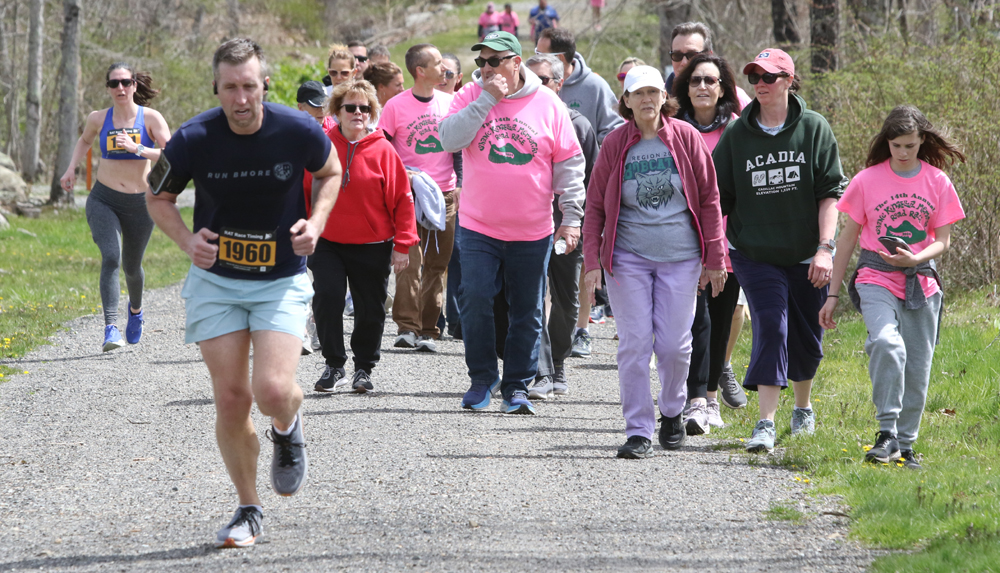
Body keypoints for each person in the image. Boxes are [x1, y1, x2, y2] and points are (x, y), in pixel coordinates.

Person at [145, 38, 342, 548]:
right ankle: (249, 509)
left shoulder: (297, 129)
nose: (240, 98)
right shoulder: (192, 138)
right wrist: (188, 242)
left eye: (249, 87)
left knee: (273, 391)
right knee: (232, 399)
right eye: (230, 87)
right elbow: (158, 197)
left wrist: (316, 223)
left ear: (264, 86)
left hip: (280, 279)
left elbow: (331, 172)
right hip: (217, 281)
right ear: (217, 87)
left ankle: (287, 422)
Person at [583, 65, 726, 459]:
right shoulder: (615, 143)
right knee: (634, 344)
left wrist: (715, 257)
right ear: (626, 101)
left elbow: (710, 200)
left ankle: (672, 410)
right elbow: (594, 206)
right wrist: (591, 260)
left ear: (664, 98)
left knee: (675, 346)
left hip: (681, 257)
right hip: (627, 257)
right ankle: (638, 430)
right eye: (637, 93)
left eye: (653, 92)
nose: (646, 99)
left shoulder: (686, 138)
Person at [439, 31, 585, 415]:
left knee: (528, 308)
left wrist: (571, 218)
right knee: (474, 300)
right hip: (478, 226)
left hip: (531, 229)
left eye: (494, 61)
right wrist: (489, 97)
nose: (485, 68)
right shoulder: (470, 95)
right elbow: (448, 139)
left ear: (516, 63)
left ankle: (518, 386)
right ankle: (482, 379)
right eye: (481, 62)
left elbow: (570, 163)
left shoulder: (548, 104)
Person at [713, 48, 848, 454]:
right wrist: (712, 247)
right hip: (753, 251)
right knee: (772, 323)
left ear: (789, 81)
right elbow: (718, 198)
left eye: (769, 77)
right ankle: (765, 422)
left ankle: (803, 408)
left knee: (806, 335)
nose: (760, 84)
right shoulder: (737, 135)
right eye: (755, 76)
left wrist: (825, 249)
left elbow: (830, 195)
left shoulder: (814, 128)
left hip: (807, 252)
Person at [819, 106, 966, 471]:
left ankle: (906, 445)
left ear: (922, 142)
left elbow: (943, 241)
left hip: (922, 282)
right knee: (886, 343)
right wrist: (832, 295)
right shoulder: (867, 180)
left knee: (918, 368)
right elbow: (848, 237)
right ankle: (886, 433)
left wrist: (915, 260)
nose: (903, 152)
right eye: (897, 145)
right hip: (876, 276)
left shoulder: (937, 181)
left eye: (911, 146)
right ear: (887, 142)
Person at [310, 79, 418, 393]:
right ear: (337, 110)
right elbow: (305, 191)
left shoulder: (384, 149)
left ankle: (363, 368)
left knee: (370, 309)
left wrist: (403, 243)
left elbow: (402, 199)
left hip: (373, 245)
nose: (358, 113)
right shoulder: (321, 145)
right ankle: (334, 365)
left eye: (365, 108)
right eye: (351, 107)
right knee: (327, 298)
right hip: (328, 241)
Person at [59, 62, 171, 352]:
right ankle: (110, 328)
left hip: (140, 203)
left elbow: (172, 155)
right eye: (114, 84)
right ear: (108, 88)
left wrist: (139, 149)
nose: (120, 88)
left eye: (125, 82)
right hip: (103, 199)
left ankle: (136, 310)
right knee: (111, 257)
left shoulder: (151, 118)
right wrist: (71, 169)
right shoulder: (98, 118)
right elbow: (84, 141)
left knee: (131, 267)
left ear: (134, 85)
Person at [671, 52, 747, 434]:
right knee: (691, 321)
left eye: (710, 81)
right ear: (685, 89)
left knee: (718, 320)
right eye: (695, 80)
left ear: (723, 89)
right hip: (680, 242)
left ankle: (709, 399)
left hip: (727, 243)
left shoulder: (738, 128)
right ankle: (692, 396)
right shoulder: (670, 126)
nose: (702, 86)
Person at [524, 52, 598, 399]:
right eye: (530, 79)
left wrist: (585, 225)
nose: (536, 87)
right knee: (533, 299)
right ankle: (540, 372)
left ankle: (558, 362)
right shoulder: (518, 120)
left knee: (567, 301)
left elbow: (593, 183)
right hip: (527, 227)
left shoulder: (579, 124)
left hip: (568, 227)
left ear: (559, 83)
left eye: (544, 80)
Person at [383, 44, 459, 352]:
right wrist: (401, 179)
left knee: (437, 266)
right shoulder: (395, 107)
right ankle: (406, 327)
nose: (445, 69)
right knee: (410, 262)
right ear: (420, 71)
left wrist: (462, 186)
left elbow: (459, 150)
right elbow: (384, 150)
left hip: (446, 196)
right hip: (408, 195)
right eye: (439, 64)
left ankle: (429, 329)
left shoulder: (451, 103)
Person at [537, 28, 623, 144]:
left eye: (541, 55)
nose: (536, 60)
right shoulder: (534, 85)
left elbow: (615, 132)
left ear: (559, 58)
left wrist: (594, 157)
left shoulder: (595, 86)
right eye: (536, 53)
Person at [665, 22, 751, 109]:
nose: (684, 62)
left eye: (692, 55)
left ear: (709, 56)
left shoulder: (738, 99)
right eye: (677, 55)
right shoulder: (658, 97)